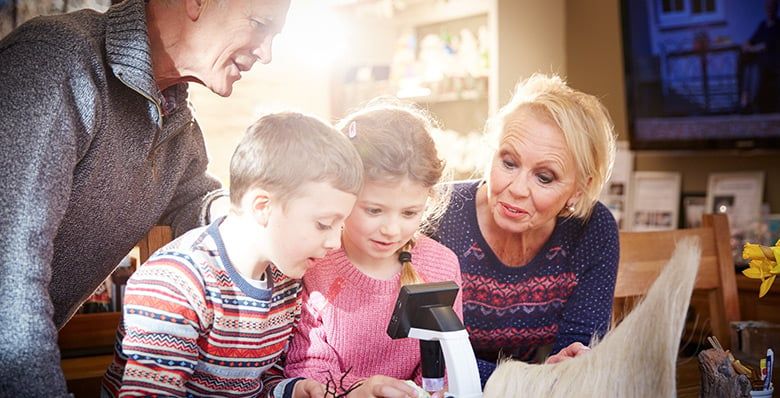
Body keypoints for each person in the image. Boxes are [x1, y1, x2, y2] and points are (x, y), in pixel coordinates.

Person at [0, 0, 290, 396]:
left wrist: (271, 217)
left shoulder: (177, 126)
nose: (267, 53)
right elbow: (8, 280)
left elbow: (196, 205)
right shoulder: (56, 61)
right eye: (260, 24)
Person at [101, 112, 363, 397]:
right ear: (263, 207)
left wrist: (292, 390)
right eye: (323, 224)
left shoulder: (285, 279)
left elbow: (256, 381)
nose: (336, 242)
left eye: (341, 225)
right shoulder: (178, 282)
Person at [434, 74, 619, 385]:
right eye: (508, 162)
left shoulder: (593, 230)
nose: (517, 189)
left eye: (544, 177)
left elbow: (577, 358)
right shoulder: (439, 214)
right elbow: (427, 355)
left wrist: (543, 377)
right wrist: (532, 380)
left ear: (579, 189)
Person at [284, 101, 463, 398]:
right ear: (343, 194)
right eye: (374, 210)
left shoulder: (441, 266)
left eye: (409, 213)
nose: (392, 229)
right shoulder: (316, 262)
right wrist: (358, 391)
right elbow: (307, 368)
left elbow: (443, 366)